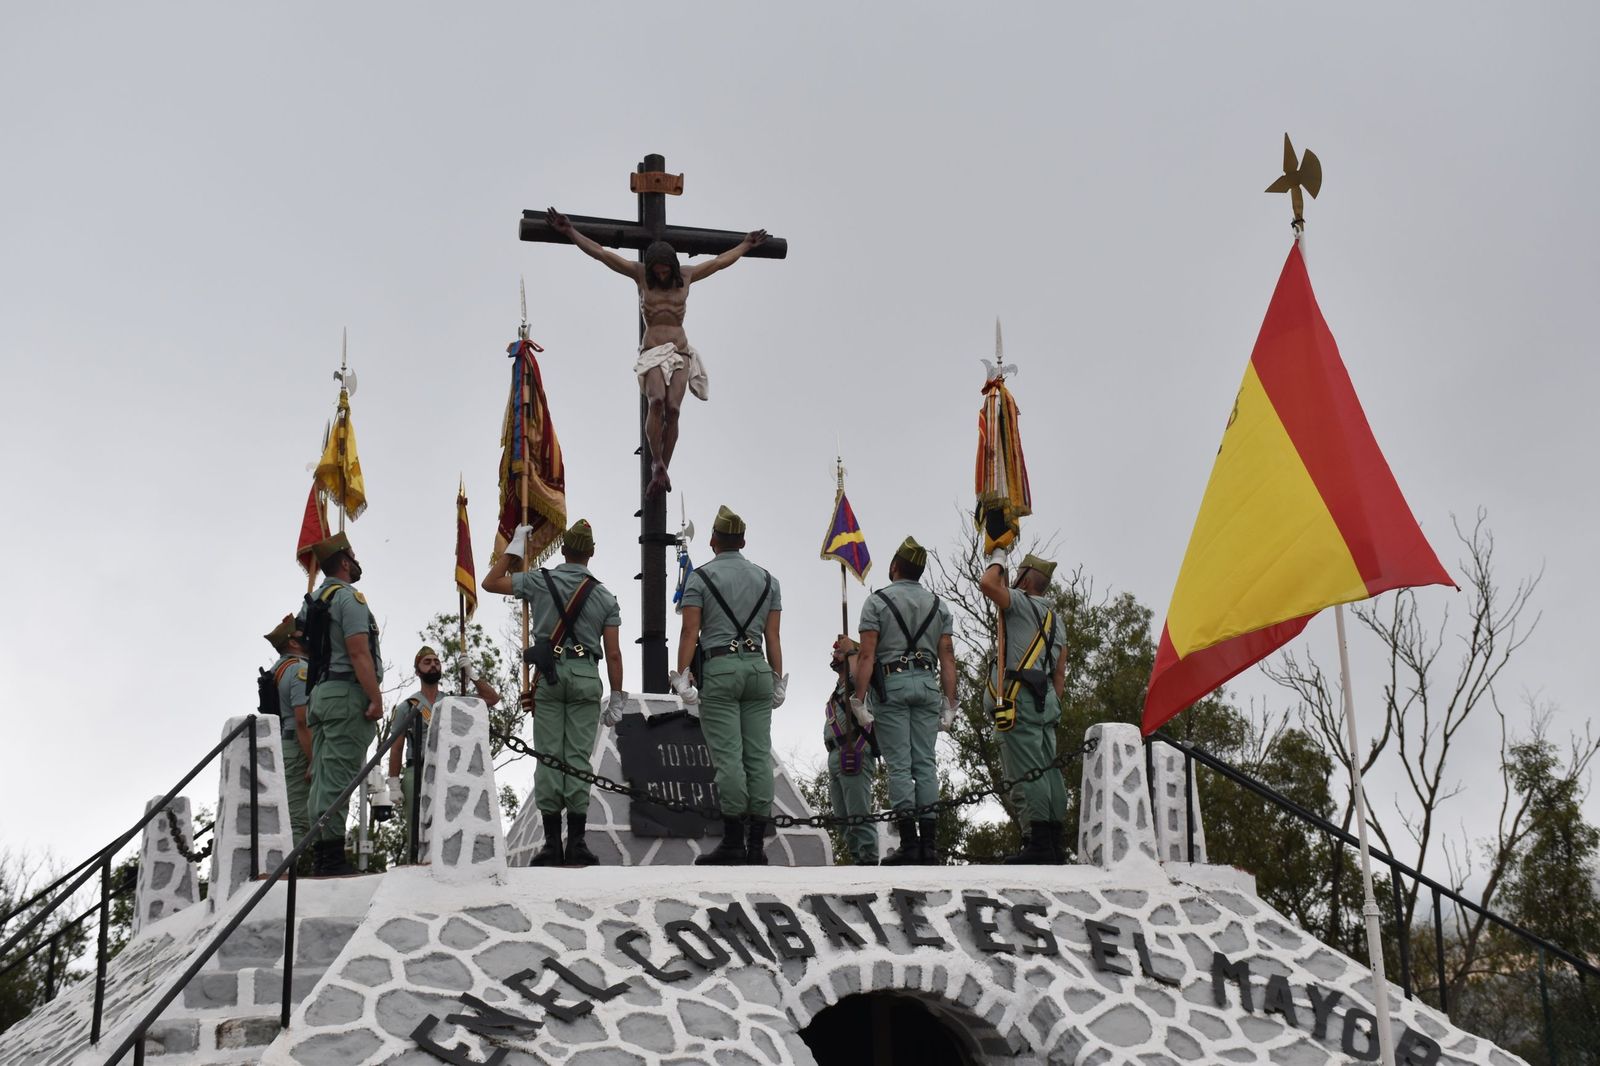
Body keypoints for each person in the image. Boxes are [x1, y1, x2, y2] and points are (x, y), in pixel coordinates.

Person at [544, 207, 768, 496]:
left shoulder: (686, 276)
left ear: (672, 267)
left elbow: (719, 262)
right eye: (657, 271)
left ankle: (664, 468)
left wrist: (746, 245)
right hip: (652, 351)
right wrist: (571, 231)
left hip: (680, 351)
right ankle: (656, 461)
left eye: (665, 270)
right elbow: (601, 253)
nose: (661, 275)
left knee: (673, 410)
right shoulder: (641, 275)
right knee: (657, 401)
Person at [483, 519, 624, 867]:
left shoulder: (539, 581)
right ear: (591, 553)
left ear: (563, 549)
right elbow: (614, 654)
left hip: (550, 676)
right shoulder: (605, 597)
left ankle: (550, 845)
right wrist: (618, 695)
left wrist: (515, 548)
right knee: (578, 758)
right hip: (586, 675)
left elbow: (490, 582)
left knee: (548, 756)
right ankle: (576, 842)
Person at [672, 505, 786, 865]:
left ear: (713, 541)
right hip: (758, 670)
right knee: (758, 756)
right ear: (743, 542)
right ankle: (757, 847)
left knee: (729, 759)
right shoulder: (768, 580)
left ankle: (735, 842)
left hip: (720, 670)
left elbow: (690, 632)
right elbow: (773, 636)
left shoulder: (700, 579)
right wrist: (778, 679)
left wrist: (683, 674)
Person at [851, 537, 958, 865]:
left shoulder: (877, 602)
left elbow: (867, 655)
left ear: (895, 566)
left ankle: (910, 845)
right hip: (926, 684)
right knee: (925, 763)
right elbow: (947, 657)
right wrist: (950, 702)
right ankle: (930, 847)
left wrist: (859, 699)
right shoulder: (939, 606)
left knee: (899, 765)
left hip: (892, 686)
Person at [300, 532, 384, 877]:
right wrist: (375, 697)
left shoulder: (313, 600)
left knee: (322, 778)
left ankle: (322, 853)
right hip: (346, 694)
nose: (357, 561)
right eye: (354, 556)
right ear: (346, 563)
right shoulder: (350, 599)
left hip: (320, 695)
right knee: (337, 777)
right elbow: (358, 651)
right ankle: (332, 856)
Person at [978, 551, 1071, 864]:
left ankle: (1039, 843)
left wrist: (998, 555)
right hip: (1047, 701)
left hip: (1021, 702)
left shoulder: (1019, 602)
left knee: (1030, 771)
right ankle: (1054, 842)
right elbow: (1059, 674)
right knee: (1048, 771)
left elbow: (988, 584)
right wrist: (1049, 705)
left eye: (1016, 573)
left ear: (1026, 579)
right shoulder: (1057, 621)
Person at [384, 646, 501, 862]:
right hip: (417, 770)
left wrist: (471, 674)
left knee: (448, 824)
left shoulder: (451, 702)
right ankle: (415, 865)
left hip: (446, 772)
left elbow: (492, 699)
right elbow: (397, 747)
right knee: (416, 828)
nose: (433, 665)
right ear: (417, 671)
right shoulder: (406, 707)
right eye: (427, 662)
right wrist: (393, 782)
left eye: (436, 662)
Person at [824, 636, 879, 866]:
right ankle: (857, 858)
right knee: (843, 820)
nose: (836, 655)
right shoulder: (839, 688)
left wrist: (852, 652)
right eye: (836, 652)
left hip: (854, 750)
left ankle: (868, 859)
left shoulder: (860, 683)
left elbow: (858, 677)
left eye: (840, 652)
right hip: (835, 753)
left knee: (858, 815)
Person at [263, 615, 313, 847]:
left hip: (286, 745)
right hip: (299, 747)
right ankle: (292, 867)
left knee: (289, 815)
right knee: (298, 820)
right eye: (303, 634)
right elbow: (302, 720)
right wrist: (313, 760)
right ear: (293, 642)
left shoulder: (279, 668)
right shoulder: (299, 669)